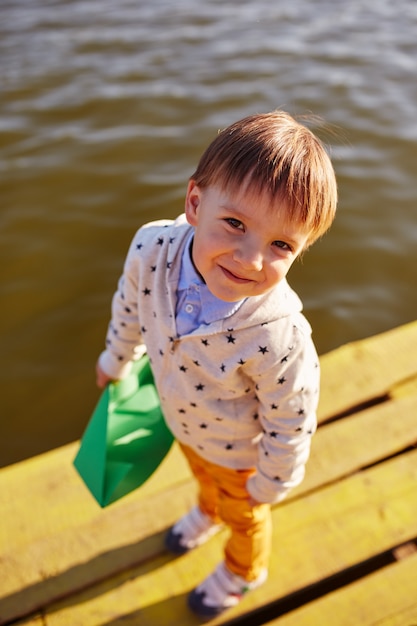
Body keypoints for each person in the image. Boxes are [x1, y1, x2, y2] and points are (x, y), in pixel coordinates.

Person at [96, 110, 337, 618]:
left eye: (280, 245)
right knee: (203, 480)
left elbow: (293, 416)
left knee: (246, 519)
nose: (250, 259)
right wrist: (117, 357)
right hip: (183, 422)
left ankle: (243, 572)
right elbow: (129, 304)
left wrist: (271, 482)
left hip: (242, 457)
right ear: (194, 202)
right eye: (235, 223)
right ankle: (207, 511)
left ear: (302, 250)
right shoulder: (151, 248)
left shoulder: (279, 335)